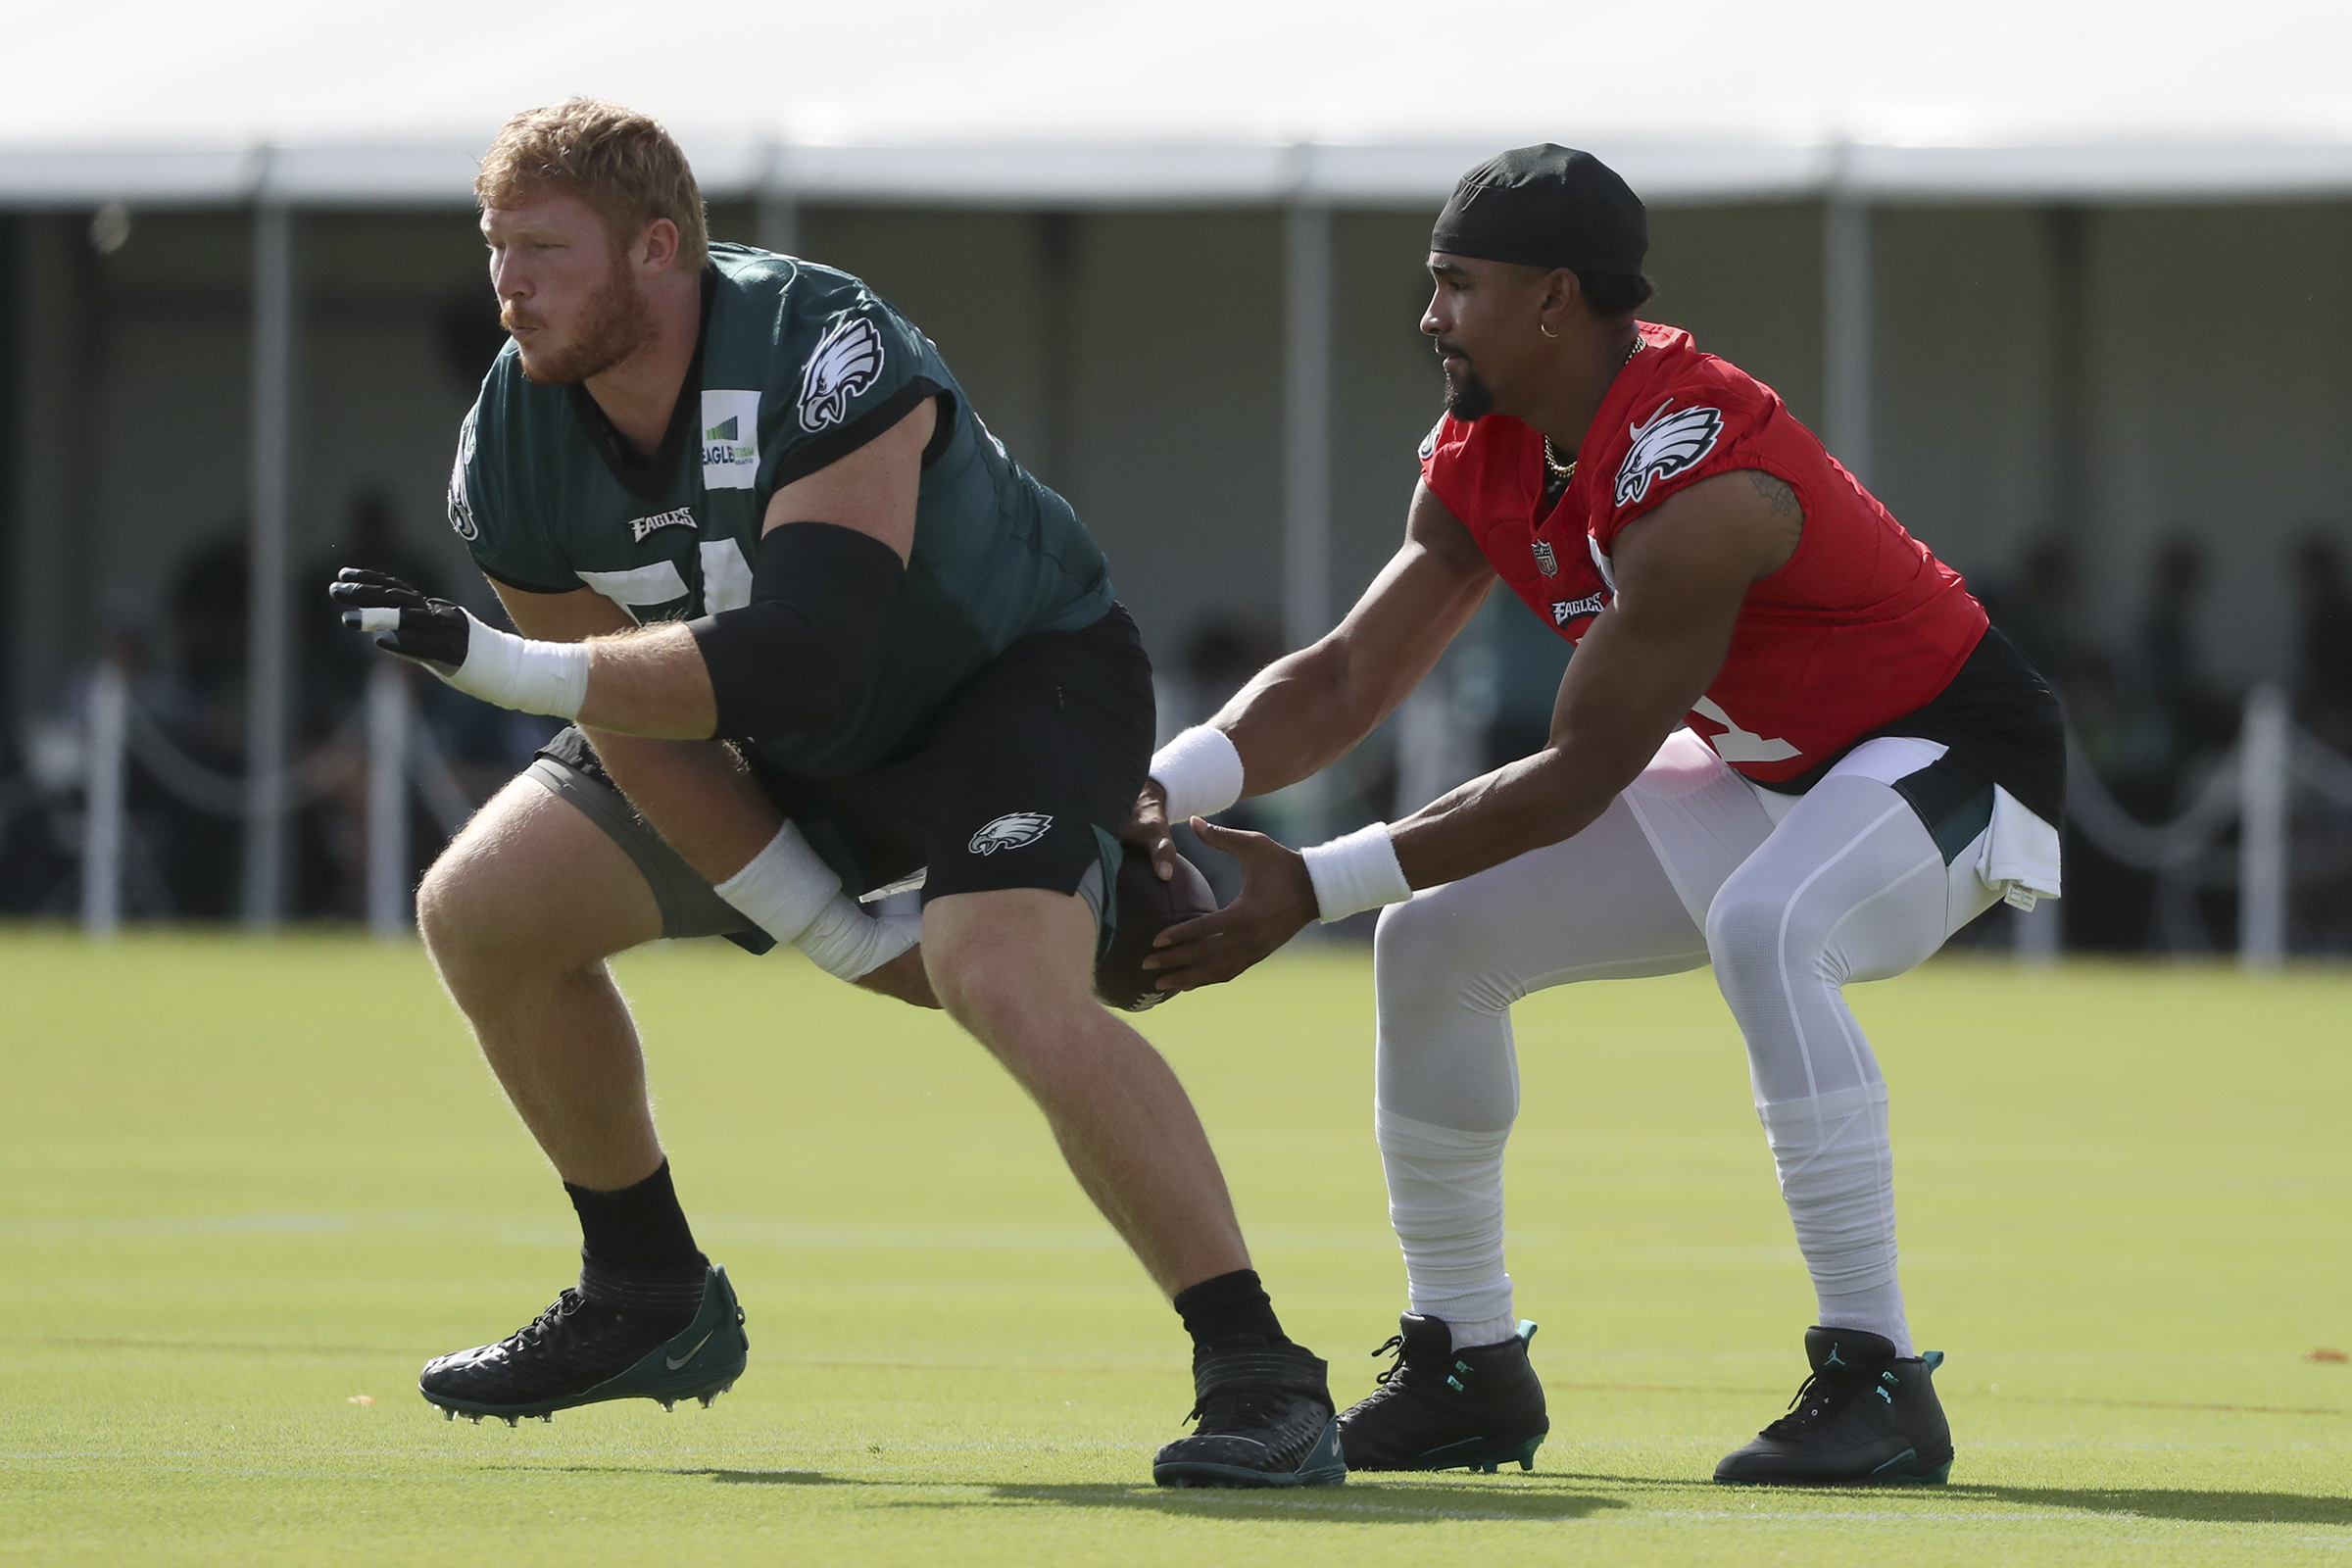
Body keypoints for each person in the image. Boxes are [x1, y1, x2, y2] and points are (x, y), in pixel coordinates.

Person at [332, 99, 1341, 1490]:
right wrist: (835, 931)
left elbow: (811, 648)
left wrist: (501, 665)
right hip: (755, 733)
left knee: (1002, 976)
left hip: (1001, 685)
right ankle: (646, 1290)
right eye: (497, 243)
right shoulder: (511, 443)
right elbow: (622, 722)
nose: (509, 279)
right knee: (485, 910)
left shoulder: (822, 341)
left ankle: (1261, 1372)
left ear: (658, 249)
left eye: (547, 247)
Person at [1130, 145, 2065, 1486]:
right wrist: (1160, 790)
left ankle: (1878, 1373)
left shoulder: (1703, 468)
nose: (1430, 312)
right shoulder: (1493, 438)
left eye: (1457, 284)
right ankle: (1466, 1365)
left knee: (1769, 921)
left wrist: (1317, 884)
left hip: (1951, 753)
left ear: (1556, 299)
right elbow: (1346, 674)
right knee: (1437, 944)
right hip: (1775, 767)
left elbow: (1580, 767)